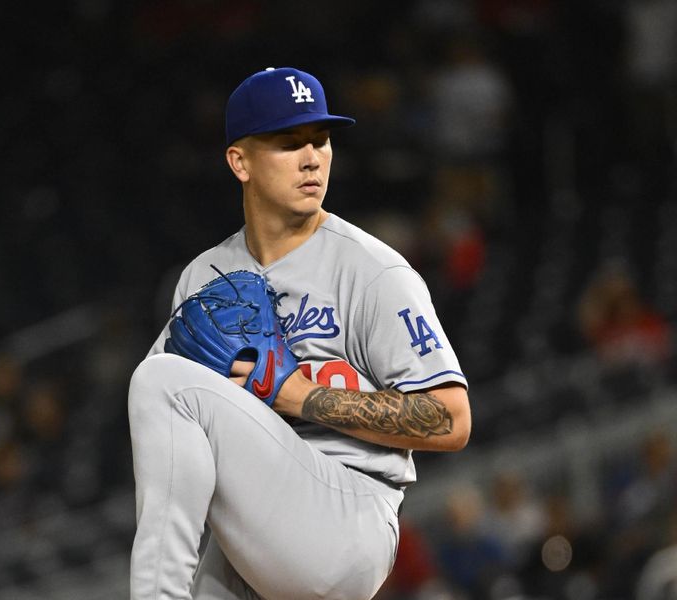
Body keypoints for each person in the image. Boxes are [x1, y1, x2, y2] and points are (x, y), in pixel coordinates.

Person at [128, 67, 471, 600]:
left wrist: (300, 396)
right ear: (239, 161)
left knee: (158, 381)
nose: (312, 157)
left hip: (347, 514)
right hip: (255, 528)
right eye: (289, 144)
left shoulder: (373, 270)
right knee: (162, 393)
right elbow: (169, 444)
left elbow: (452, 419)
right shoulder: (202, 278)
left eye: (321, 140)